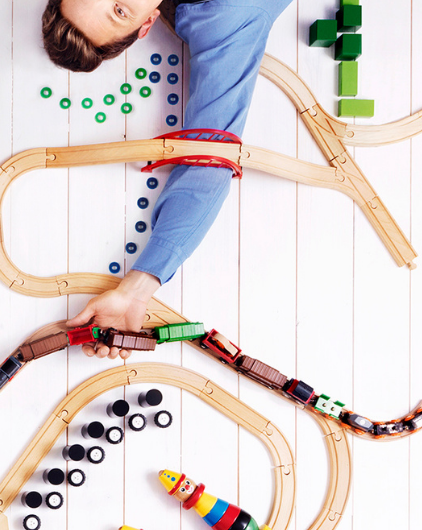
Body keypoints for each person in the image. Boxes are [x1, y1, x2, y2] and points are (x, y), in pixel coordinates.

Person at [41, 0, 295, 344]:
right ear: (146, 26)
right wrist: (137, 287)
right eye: (119, 10)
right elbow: (208, 162)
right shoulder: (227, 20)